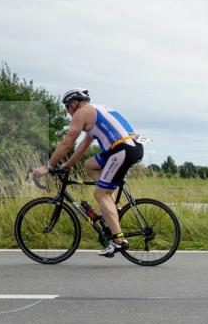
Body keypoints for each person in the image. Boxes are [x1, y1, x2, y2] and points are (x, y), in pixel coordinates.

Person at [32, 89, 144, 257]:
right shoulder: (96, 110)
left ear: (74, 104)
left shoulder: (81, 113)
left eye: (67, 108)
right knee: (90, 165)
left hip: (121, 150)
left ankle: (118, 241)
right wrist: (67, 166)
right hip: (129, 147)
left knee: (100, 194)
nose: (68, 113)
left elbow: (68, 142)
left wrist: (48, 166)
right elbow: (84, 145)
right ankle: (112, 208)